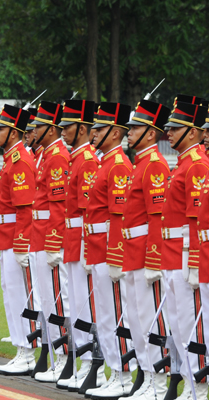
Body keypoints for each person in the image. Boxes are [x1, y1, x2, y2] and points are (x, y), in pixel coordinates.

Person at [84, 101, 135, 399]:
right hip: (96, 246)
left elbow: (118, 216)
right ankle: (114, 370)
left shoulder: (117, 166)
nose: (93, 133)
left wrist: (115, 255)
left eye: (100, 128)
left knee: (116, 314)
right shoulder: (106, 162)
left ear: (115, 133)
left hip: (108, 248)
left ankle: (123, 374)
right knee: (104, 314)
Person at [121, 100, 171, 400]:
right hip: (131, 249)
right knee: (136, 319)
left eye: (136, 127)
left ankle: (158, 381)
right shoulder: (140, 163)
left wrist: (154, 257)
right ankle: (147, 376)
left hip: (144, 252)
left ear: (151, 133)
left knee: (149, 319)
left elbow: (157, 216)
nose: (130, 132)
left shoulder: (154, 165)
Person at [160, 98, 209, 399]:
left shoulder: (197, 165)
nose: (169, 132)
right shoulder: (184, 163)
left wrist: (192, 261)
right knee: (178, 324)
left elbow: (196, 218)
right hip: (172, 252)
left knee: (192, 324)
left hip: (185, 253)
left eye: (175, 128)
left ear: (193, 132)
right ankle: (190, 384)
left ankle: (198, 387)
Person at [56, 99, 102, 390]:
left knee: (86, 305)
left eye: (68, 126)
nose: (62, 132)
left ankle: (89, 362)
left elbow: (88, 208)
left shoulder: (86, 160)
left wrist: (86, 244)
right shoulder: (76, 157)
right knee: (76, 301)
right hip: (72, 238)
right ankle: (81, 360)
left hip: (82, 238)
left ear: (82, 128)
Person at [0, 105, 39, 376]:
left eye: (1, 129)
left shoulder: (19, 160)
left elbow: (25, 209)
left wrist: (21, 244)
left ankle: (26, 351)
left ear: (14, 132)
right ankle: (22, 349)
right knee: (10, 296)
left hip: (15, 239)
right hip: (6, 237)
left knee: (19, 296)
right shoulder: (12, 159)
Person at [29, 101, 71, 382]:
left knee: (57, 301)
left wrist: (54, 242)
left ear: (52, 128)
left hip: (48, 235)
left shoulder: (57, 156)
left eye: (40, 125)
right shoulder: (46, 155)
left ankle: (66, 357)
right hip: (38, 233)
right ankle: (57, 357)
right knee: (46, 300)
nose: (35, 130)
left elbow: (58, 204)